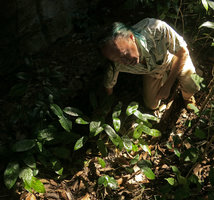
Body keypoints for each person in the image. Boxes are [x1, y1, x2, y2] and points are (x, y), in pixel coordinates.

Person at [100, 18, 200, 110]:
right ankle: (165, 77)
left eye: (126, 54)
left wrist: (167, 86)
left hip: (173, 57)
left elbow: (182, 52)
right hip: (154, 72)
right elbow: (109, 84)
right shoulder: (114, 63)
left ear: (131, 38)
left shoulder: (156, 29)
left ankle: (187, 97)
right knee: (152, 105)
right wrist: (108, 105)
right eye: (118, 60)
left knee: (193, 85)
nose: (126, 62)